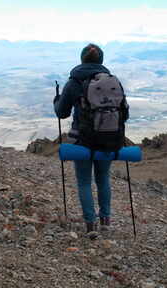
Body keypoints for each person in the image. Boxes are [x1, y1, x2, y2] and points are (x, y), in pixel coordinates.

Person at [53, 43, 128, 237]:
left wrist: (57, 100)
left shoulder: (74, 82)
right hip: (109, 139)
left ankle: (90, 225)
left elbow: (62, 112)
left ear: (81, 59)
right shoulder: (112, 82)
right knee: (103, 179)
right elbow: (124, 113)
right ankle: (106, 221)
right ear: (101, 61)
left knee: (84, 182)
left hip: (83, 140)